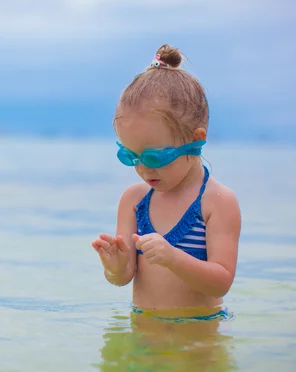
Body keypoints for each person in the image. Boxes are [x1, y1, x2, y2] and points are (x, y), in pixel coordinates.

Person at [92, 44, 241, 319]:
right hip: (144, 338)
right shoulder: (135, 201)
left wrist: (173, 258)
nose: (142, 169)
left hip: (198, 339)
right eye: (130, 156)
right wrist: (115, 268)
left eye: (154, 157)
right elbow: (123, 278)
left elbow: (222, 280)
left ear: (196, 140)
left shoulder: (216, 202)